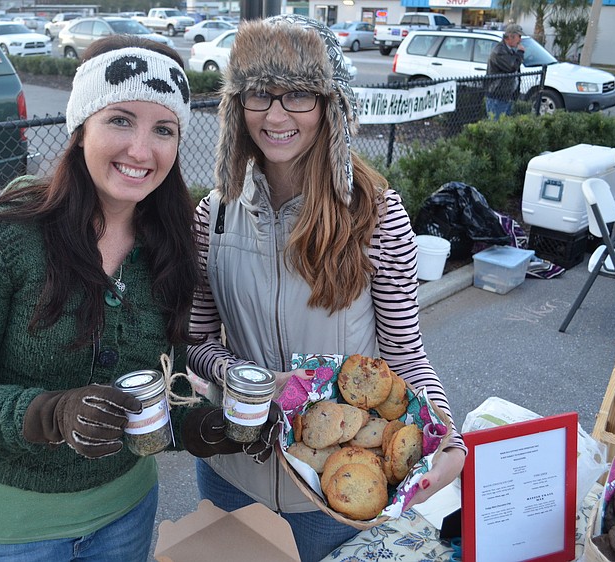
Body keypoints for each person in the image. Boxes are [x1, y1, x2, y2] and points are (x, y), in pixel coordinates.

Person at [182, 15, 467, 562]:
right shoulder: (213, 215)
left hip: (328, 492)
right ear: (237, 104)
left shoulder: (377, 217)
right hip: (229, 469)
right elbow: (196, 341)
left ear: (330, 107)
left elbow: (404, 354)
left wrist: (445, 435)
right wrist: (258, 382)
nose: (276, 114)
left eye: (300, 96)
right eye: (260, 93)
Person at [0, 35, 201, 561]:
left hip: (127, 512)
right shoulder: (1, 238)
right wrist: (49, 414)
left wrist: (199, 422)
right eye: (119, 119)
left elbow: (162, 381)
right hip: (10, 530)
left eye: (164, 129)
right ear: (80, 125)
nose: (141, 149)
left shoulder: (171, 244)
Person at [486, 23, 526, 119]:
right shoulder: (499, 51)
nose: (520, 40)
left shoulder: (509, 50)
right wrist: (520, 53)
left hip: (507, 95)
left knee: (504, 124)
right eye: (519, 36)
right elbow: (512, 67)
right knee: (496, 124)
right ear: (511, 37)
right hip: (497, 95)